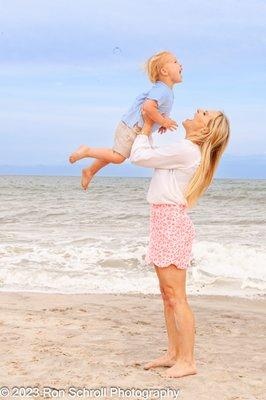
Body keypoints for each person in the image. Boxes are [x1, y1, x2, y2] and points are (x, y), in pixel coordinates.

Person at [129, 108, 230, 378]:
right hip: (164, 221)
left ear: (205, 130)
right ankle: (173, 354)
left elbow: (138, 157)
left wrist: (147, 127)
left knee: (177, 297)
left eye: (205, 114)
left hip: (171, 223)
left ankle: (188, 361)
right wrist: (148, 133)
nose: (198, 110)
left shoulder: (187, 149)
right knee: (167, 296)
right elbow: (152, 157)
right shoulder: (185, 150)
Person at [68, 51, 182, 190]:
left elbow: (156, 109)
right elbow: (148, 108)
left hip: (132, 126)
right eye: (175, 62)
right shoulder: (162, 90)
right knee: (118, 157)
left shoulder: (166, 91)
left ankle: (90, 171)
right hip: (132, 127)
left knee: (115, 153)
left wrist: (162, 120)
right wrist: (163, 122)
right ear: (164, 71)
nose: (180, 64)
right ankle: (87, 151)